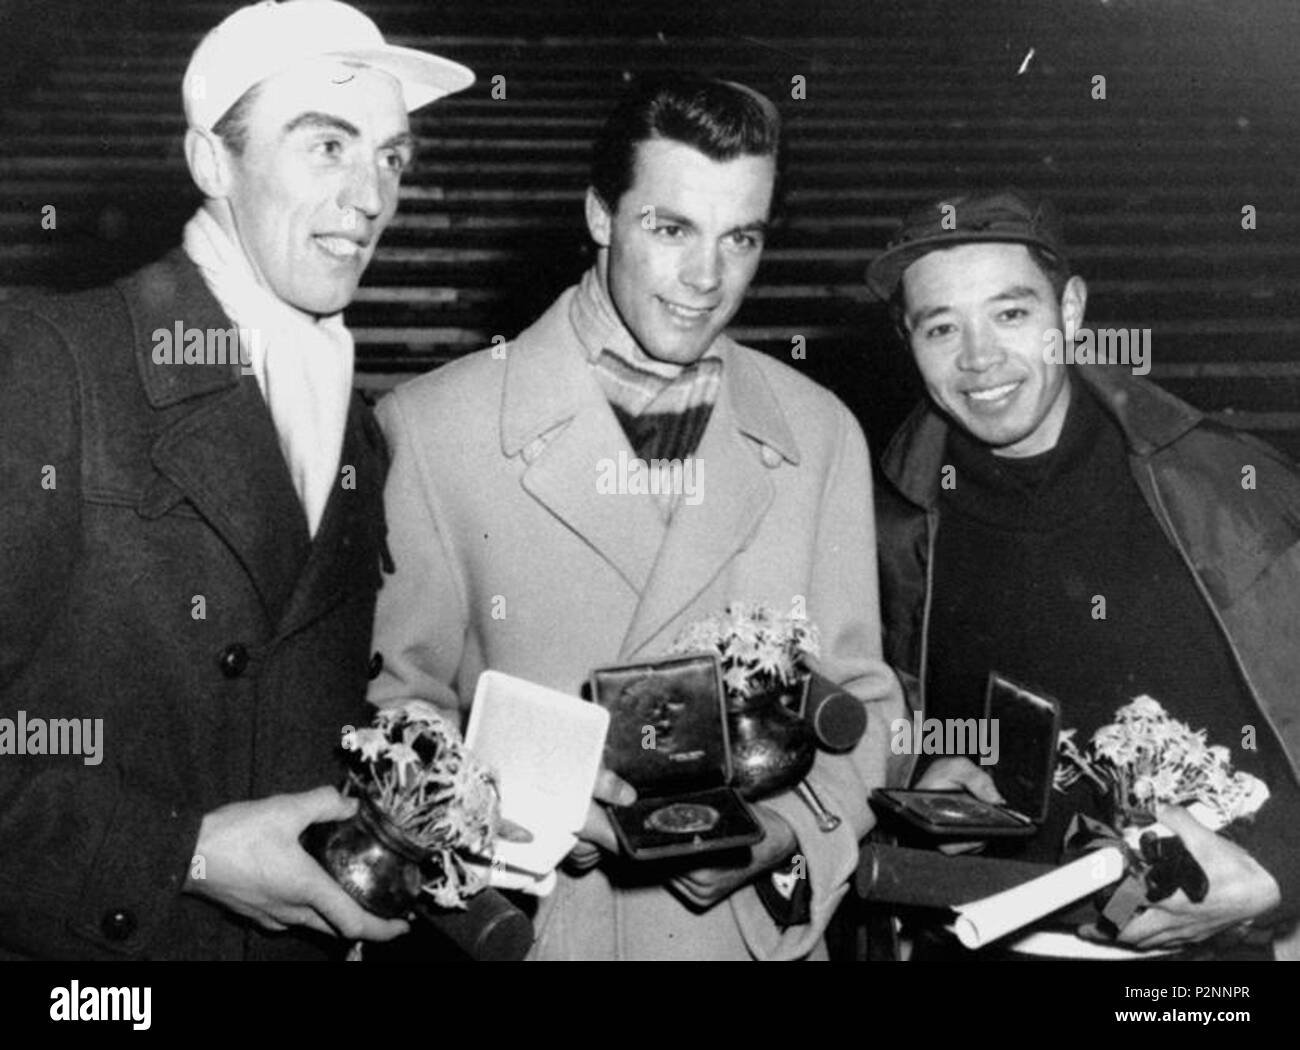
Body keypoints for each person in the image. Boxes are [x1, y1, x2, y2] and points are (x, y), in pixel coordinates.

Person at [368, 74, 903, 960]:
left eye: (742, 238)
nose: (706, 279)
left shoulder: (819, 433)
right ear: (600, 216)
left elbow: (865, 704)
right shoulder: (433, 429)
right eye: (670, 229)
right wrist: (516, 809)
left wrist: (790, 832)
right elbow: (394, 706)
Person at [0, 0, 473, 960]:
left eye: (392, 158)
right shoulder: (58, 363)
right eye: (328, 146)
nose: (373, 197)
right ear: (213, 163)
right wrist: (187, 853)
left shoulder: (356, 428)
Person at [866, 188, 1300, 959]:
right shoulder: (890, 520)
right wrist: (917, 787)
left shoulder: (1226, 490)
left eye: (1010, 313)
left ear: (1070, 311)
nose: (978, 359)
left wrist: (1283, 878)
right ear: (909, 341)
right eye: (941, 327)